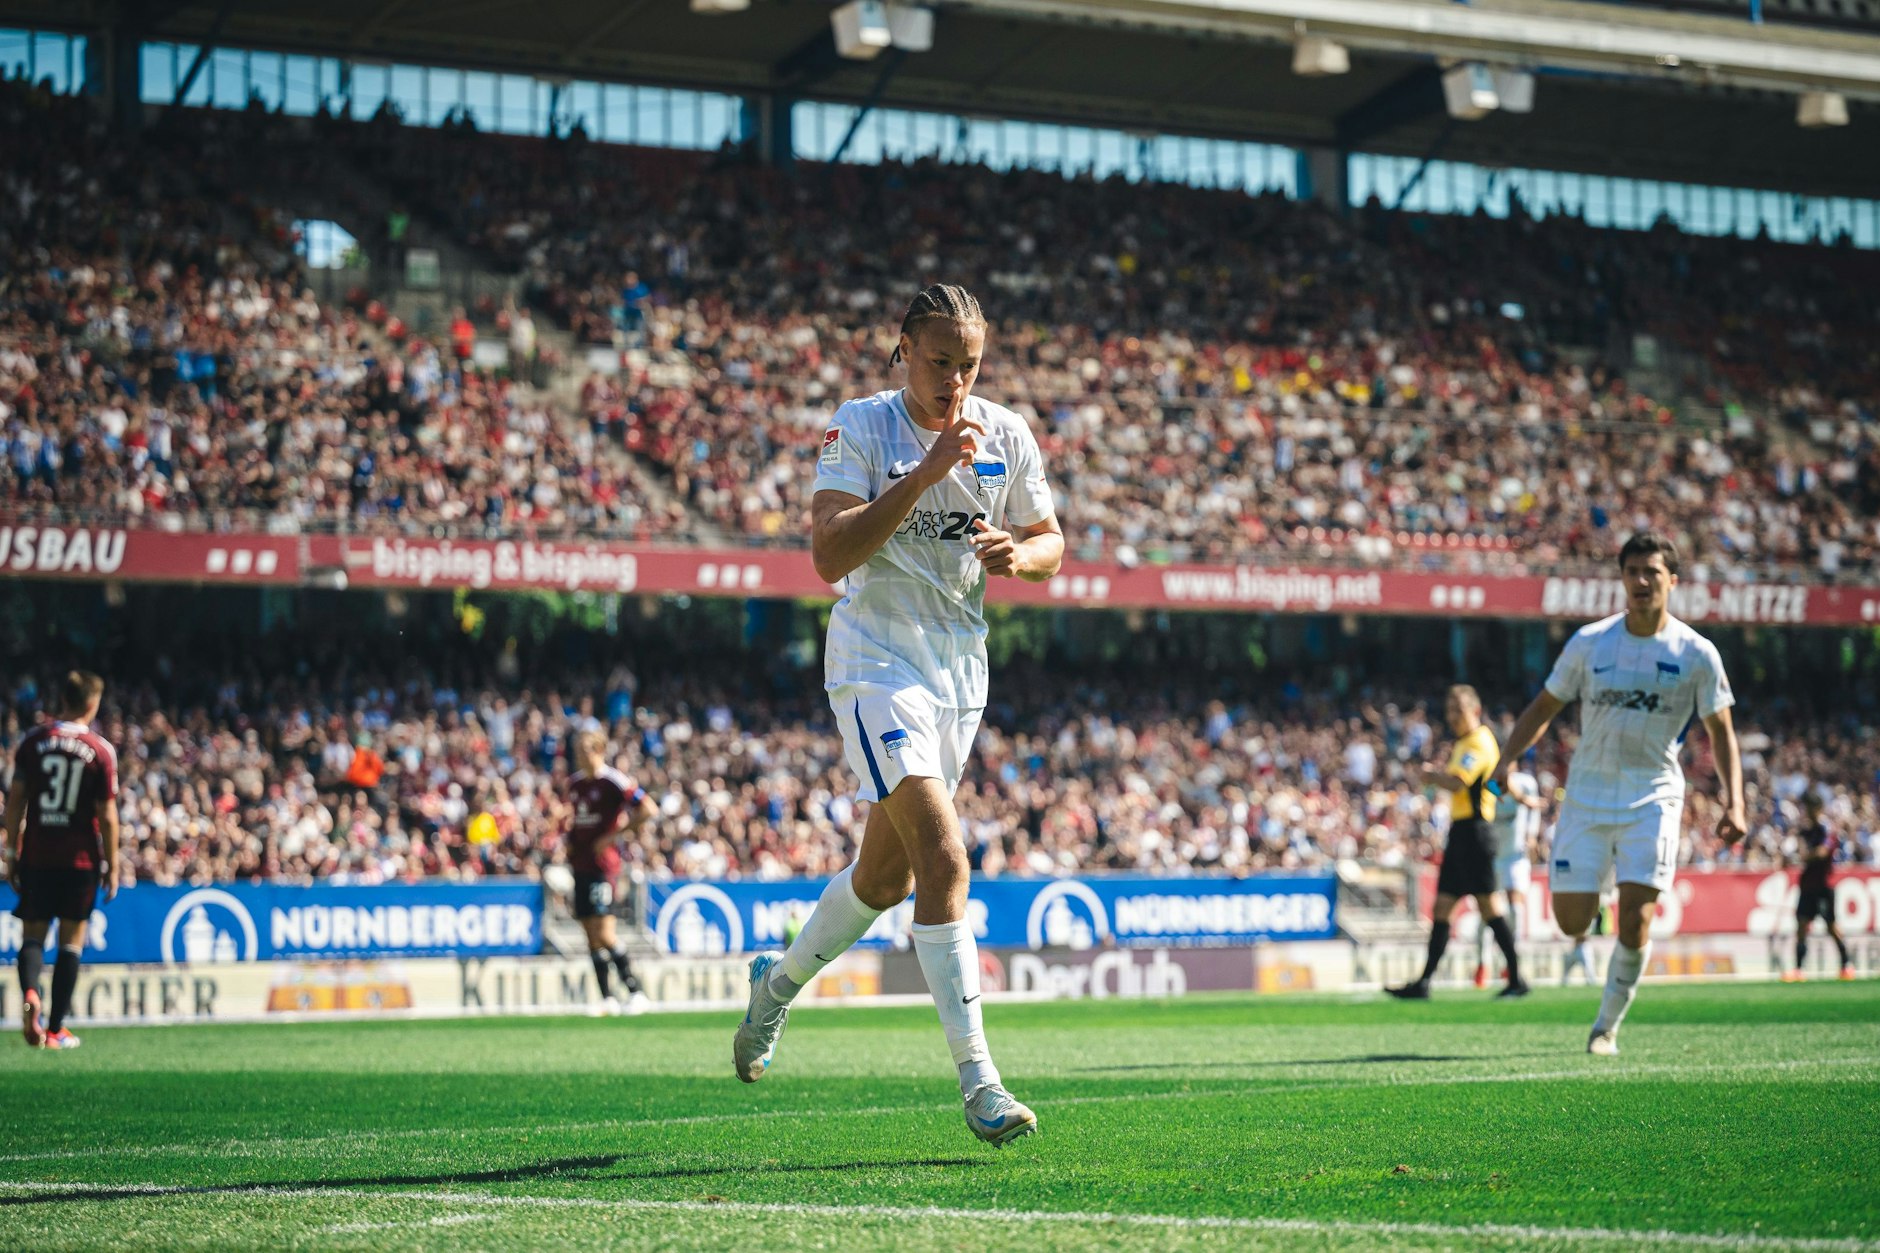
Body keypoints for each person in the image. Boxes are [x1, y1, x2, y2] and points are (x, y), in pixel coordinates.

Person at [732, 284, 1063, 1146]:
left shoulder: (1007, 434)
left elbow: (1052, 538)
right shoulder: (862, 426)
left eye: (971, 363)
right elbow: (827, 552)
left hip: (960, 670)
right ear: (903, 348)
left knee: (882, 881)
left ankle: (775, 984)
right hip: (875, 662)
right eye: (941, 359)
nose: (956, 379)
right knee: (946, 856)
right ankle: (980, 1082)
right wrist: (925, 475)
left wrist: (1019, 555)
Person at [1493, 532, 1745, 1055]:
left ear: (1672, 581)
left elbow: (1721, 732)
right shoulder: (1591, 643)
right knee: (1571, 922)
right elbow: (1544, 706)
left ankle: (1605, 1027)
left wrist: (1735, 802)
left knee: (1637, 918)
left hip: (1652, 796)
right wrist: (1506, 758)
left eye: (1652, 572)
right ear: (1622, 579)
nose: (1641, 581)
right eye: (1632, 571)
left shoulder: (1697, 654)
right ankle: (1605, 883)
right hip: (1586, 796)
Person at [4, 671, 120, 1049]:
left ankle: (31, 992)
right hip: (80, 860)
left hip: (37, 853)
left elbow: (15, 800)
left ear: (63, 700)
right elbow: (107, 815)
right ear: (92, 704)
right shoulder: (100, 750)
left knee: (33, 934)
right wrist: (113, 864)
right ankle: (55, 1029)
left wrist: (10, 852)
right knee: (71, 941)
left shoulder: (33, 742)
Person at [1389, 686, 1527, 999]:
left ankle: (1517, 977)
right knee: (1442, 908)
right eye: (1450, 711)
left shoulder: (1477, 742)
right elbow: (1492, 782)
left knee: (1489, 906)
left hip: (1475, 833)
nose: (1453, 717)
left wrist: (1430, 776)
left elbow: (1459, 782)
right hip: (1463, 832)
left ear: (1475, 711)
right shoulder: (1469, 742)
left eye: (1459, 711)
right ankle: (1424, 982)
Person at [565, 730, 658, 1015]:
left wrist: (613, 836)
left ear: (599, 750)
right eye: (577, 750)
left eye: (585, 750)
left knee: (605, 932)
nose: (580, 756)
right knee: (590, 933)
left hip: (603, 866)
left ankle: (636, 990)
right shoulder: (575, 784)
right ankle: (607, 998)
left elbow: (648, 809)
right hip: (579, 863)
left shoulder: (613, 780)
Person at [1476, 754, 1544, 987]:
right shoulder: (1490, 783)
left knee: (1515, 908)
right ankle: (1481, 963)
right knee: (1487, 914)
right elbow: (1492, 792)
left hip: (1516, 856)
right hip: (1493, 857)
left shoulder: (1527, 782)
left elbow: (1533, 809)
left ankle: (1511, 962)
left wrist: (1533, 836)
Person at [1786, 792, 1853, 982]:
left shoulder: (1826, 830)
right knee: (1801, 925)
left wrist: (1802, 856)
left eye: (1810, 807)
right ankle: (1798, 970)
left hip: (1824, 886)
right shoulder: (1805, 831)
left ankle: (1846, 965)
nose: (1807, 812)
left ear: (1818, 808)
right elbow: (1798, 849)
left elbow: (1822, 852)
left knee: (1831, 926)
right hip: (1807, 885)